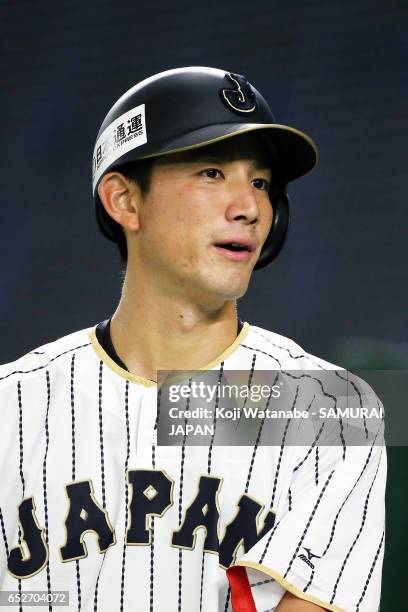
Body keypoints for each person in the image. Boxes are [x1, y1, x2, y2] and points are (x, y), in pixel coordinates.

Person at [0, 67, 386, 612]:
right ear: (124, 201)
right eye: (211, 172)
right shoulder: (9, 405)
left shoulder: (330, 411)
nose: (249, 207)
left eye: (260, 182)